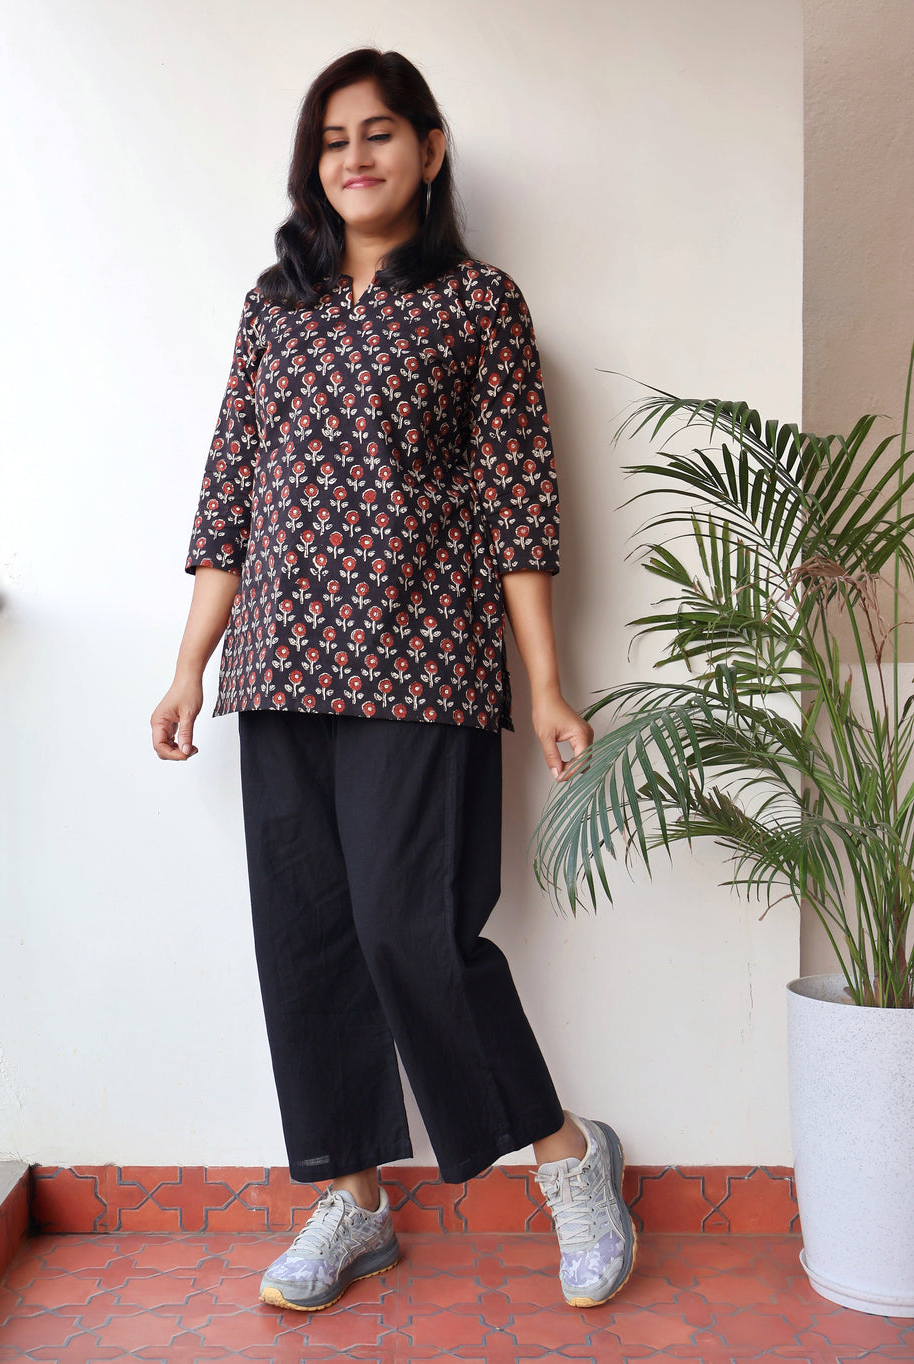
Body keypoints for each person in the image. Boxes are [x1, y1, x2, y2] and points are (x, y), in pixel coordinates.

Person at [151, 47, 636, 1315]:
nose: (353, 158)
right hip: (277, 659)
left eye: (377, 133)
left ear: (427, 147)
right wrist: (189, 663)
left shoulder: (480, 303)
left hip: (424, 660)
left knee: (407, 930)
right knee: (306, 939)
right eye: (331, 141)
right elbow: (229, 491)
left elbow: (519, 501)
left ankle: (569, 1155)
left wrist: (545, 683)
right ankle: (354, 1199)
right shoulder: (274, 304)